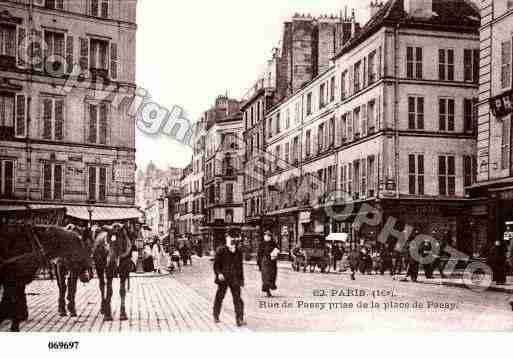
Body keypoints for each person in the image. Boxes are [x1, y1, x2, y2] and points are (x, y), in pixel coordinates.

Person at [213, 232, 245, 327]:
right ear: (226, 238)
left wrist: (241, 279)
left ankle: (239, 319)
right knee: (220, 297)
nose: (232, 240)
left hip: (234, 278)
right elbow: (216, 265)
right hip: (223, 278)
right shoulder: (221, 250)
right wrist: (219, 273)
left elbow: (240, 267)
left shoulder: (238, 251)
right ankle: (216, 315)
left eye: (234, 238)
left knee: (238, 299)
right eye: (230, 237)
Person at [257, 230, 279, 297]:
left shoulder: (273, 243)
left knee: (272, 276)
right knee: (266, 277)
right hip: (265, 261)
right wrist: (259, 264)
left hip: (272, 262)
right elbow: (259, 254)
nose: (267, 237)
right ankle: (267, 291)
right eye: (266, 235)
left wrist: (275, 253)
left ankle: (270, 287)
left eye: (268, 235)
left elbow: (277, 250)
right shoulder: (262, 244)